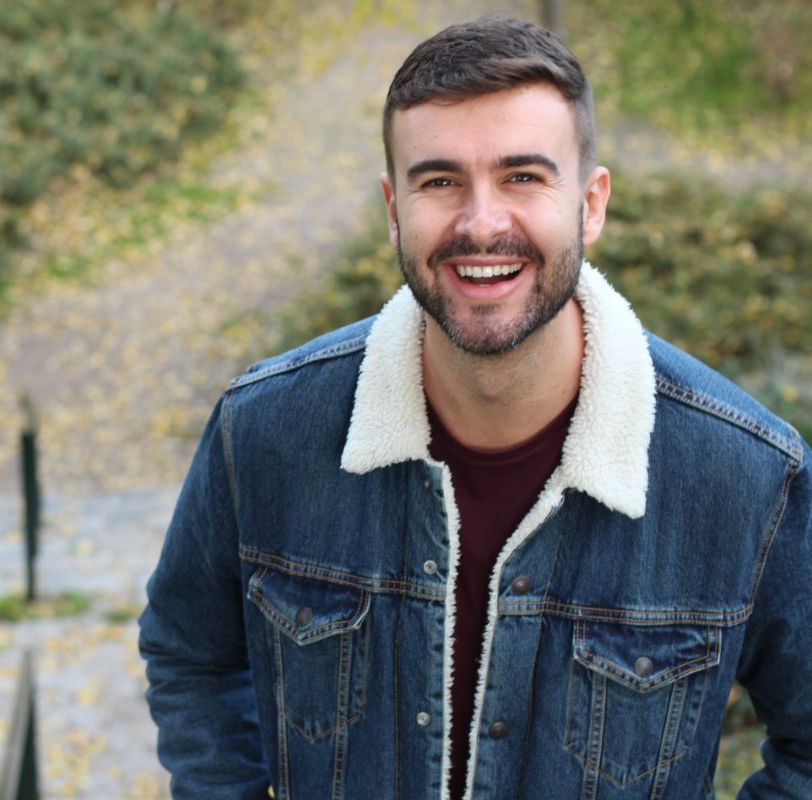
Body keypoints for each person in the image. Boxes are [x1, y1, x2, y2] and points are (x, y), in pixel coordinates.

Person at [138, 15, 812, 800]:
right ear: (394, 210)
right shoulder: (264, 430)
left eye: (523, 177)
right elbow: (190, 650)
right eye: (440, 181)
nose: (481, 222)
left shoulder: (747, 477)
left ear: (591, 205)